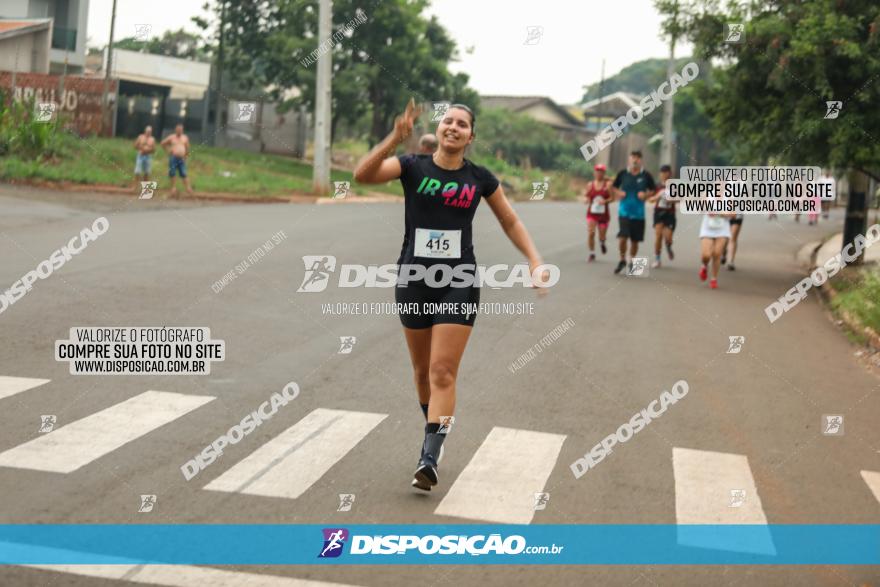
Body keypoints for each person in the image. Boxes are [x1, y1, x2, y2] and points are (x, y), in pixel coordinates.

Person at [353, 99, 548, 492]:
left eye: (462, 124)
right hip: (413, 277)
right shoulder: (412, 167)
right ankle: (433, 432)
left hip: (458, 279)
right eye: (448, 121)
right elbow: (363, 175)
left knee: (443, 371)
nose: (454, 127)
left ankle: (429, 455)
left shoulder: (480, 179)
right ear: (439, 129)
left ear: (470, 136)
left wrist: (534, 259)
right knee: (423, 371)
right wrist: (394, 136)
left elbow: (509, 219)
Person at [612, 151, 655, 274]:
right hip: (624, 212)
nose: (635, 160)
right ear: (629, 159)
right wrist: (619, 193)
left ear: (641, 160)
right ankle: (622, 260)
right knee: (622, 237)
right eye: (633, 158)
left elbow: (653, 190)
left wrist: (646, 195)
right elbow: (614, 186)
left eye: (637, 158)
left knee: (635, 240)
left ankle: (631, 261)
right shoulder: (623, 173)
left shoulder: (646, 175)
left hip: (639, 214)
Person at [699, 208, 734, 289]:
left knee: (717, 254)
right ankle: (704, 265)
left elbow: (733, 214)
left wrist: (721, 213)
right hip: (707, 228)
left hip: (722, 230)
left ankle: (713, 279)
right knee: (706, 255)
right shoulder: (706, 195)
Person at [583, 163, 612, 262]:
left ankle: (602, 242)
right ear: (594, 173)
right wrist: (586, 199)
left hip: (604, 215)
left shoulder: (608, 185)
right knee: (591, 233)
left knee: (602, 235)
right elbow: (586, 195)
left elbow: (612, 198)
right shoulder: (590, 184)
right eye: (597, 171)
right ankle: (592, 253)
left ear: (604, 173)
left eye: (601, 172)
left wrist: (605, 201)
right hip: (592, 213)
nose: (599, 173)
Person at [649, 164, 676, 269]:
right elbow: (650, 199)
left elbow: (680, 198)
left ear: (670, 173)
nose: (664, 174)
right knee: (658, 235)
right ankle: (657, 259)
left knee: (668, 237)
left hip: (670, 214)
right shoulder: (656, 186)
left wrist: (671, 199)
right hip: (658, 213)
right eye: (662, 172)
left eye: (666, 172)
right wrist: (657, 197)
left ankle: (668, 246)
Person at [161, 124, 193, 196]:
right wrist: (168, 150)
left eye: (181, 130)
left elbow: (187, 148)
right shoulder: (172, 137)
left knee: (184, 173)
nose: (179, 131)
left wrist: (186, 157)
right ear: (176, 130)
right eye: (178, 129)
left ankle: (188, 188)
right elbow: (163, 143)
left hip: (181, 158)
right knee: (172, 173)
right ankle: (173, 188)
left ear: (182, 130)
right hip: (173, 158)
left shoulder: (185, 138)